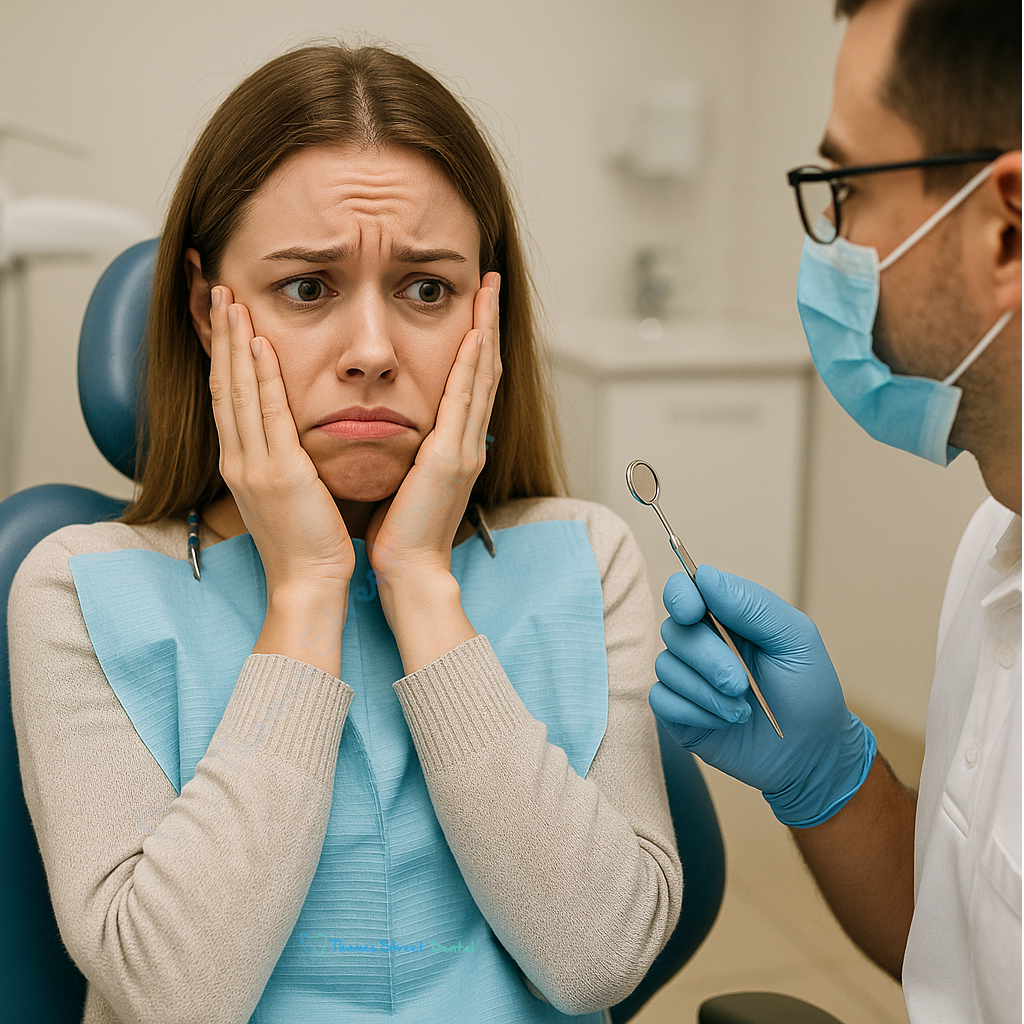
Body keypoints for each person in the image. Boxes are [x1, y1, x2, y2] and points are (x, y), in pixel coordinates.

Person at [8, 45, 682, 1024]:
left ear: (484, 315)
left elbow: (597, 963)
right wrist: (307, 591)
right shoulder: (75, 587)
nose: (371, 353)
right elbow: (173, 998)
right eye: (309, 289)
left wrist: (417, 580)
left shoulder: (587, 558)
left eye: (425, 290)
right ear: (206, 308)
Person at [649, 1, 1020, 1021]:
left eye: (846, 189)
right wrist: (829, 775)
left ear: (1006, 228)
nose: (830, 242)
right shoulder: (997, 538)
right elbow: (951, 940)